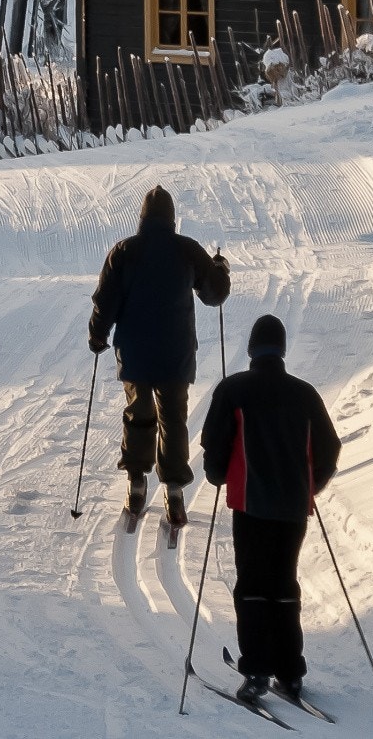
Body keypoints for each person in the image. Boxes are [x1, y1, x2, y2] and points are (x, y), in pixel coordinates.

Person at [199, 314, 342, 704]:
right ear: (281, 350)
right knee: (284, 586)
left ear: (251, 349)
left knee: (252, 588)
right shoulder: (306, 393)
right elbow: (330, 450)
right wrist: (310, 486)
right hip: (294, 509)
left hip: (250, 503)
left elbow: (214, 441)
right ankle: (290, 674)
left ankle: (257, 673)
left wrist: (215, 475)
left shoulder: (234, 389)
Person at [87, 185, 230, 523]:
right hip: (175, 353)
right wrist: (220, 267)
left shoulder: (123, 251)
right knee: (173, 419)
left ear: (142, 218)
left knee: (139, 413)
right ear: (171, 219)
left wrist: (97, 335)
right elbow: (214, 294)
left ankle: (137, 484)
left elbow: (105, 300)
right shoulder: (187, 250)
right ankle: (175, 490)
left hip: (134, 351)